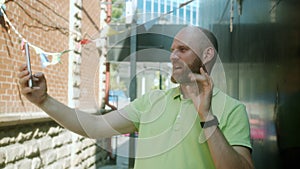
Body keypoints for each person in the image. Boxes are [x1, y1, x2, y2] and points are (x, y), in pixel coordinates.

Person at [18, 26, 254, 169]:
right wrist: (43, 101)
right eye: (172, 50)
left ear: (207, 53)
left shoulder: (233, 109)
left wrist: (207, 116)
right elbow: (95, 125)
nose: (172, 56)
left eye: (182, 50)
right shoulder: (152, 101)